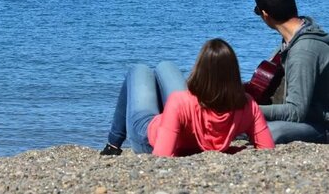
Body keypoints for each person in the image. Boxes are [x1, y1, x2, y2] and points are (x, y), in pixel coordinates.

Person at [100, 38, 274, 156]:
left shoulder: (181, 101)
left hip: (148, 135)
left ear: (199, 70)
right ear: (234, 73)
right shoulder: (247, 104)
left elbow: (162, 154)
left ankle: (113, 145)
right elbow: (267, 149)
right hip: (176, 119)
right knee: (165, 66)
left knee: (139, 70)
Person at [250, 0, 329, 144]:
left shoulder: (303, 51)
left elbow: (295, 112)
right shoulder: (293, 39)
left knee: (269, 131)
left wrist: (248, 110)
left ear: (265, 14)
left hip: (321, 125)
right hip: (308, 120)